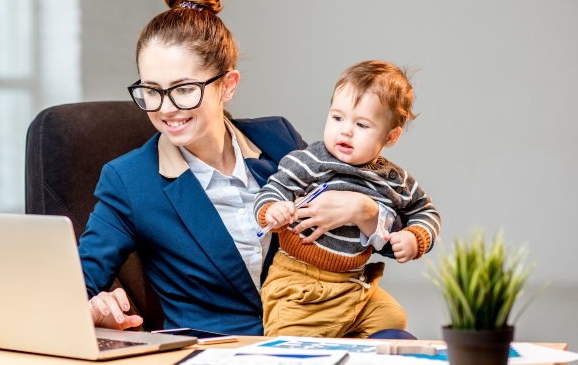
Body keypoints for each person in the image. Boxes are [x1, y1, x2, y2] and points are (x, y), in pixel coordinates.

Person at [79, 0, 401, 336]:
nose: (167, 108)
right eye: (152, 91)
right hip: (222, 351)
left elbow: (399, 240)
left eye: (185, 89)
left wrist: (364, 211)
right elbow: (74, 288)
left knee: (401, 342)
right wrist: (94, 308)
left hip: (324, 329)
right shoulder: (130, 181)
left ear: (228, 85)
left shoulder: (278, 140)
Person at [254, 60, 441, 337]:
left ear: (390, 136)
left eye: (362, 124)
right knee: (288, 342)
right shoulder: (310, 160)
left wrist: (415, 238)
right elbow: (273, 189)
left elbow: (426, 211)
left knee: (393, 317)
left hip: (354, 284)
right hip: (299, 283)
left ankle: (345, 341)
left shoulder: (394, 178)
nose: (345, 130)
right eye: (337, 118)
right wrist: (273, 209)